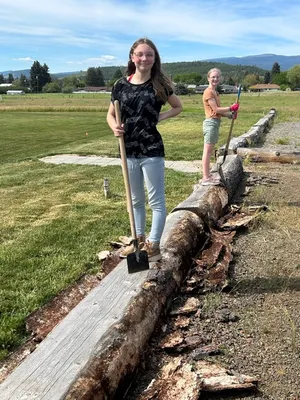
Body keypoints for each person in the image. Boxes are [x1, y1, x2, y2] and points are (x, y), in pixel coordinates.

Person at [107, 37, 182, 261]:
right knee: (136, 200)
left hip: (151, 149)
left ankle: (154, 245)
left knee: (156, 200)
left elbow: (178, 106)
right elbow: (110, 114)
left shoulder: (160, 85)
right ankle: (138, 241)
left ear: (154, 58)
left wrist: (162, 116)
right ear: (132, 57)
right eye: (140, 54)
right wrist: (115, 128)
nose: (144, 58)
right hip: (127, 149)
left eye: (149, 54)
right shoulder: (120, 85)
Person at [201, 68, 239, 185]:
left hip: (215, 122)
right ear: (208, 78)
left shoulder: (216, 93)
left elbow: (219, 112)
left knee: (210, 150)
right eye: (213, 77)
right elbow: (216, 109)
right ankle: (206, 178)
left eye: (217, 77)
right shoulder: (208, 92)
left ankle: (208, 175)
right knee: (207, 151)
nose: (215, 79)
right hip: (211, 123)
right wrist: (230, 108)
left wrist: (229, 115)